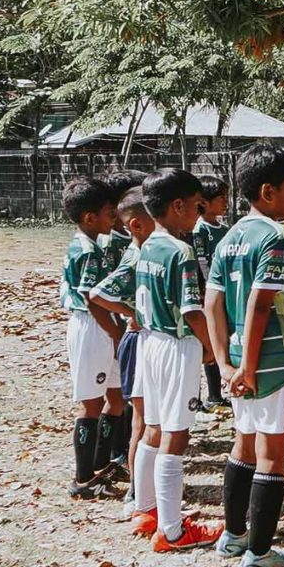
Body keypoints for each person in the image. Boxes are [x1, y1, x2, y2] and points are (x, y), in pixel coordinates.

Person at [204, 148, 284, 567]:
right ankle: (261, 554)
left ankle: (234, 536)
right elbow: (260, 303)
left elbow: (213, 301)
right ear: (268, 193)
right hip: (273, 364)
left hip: (238, 363)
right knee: (272, 455)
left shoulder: (229, 237)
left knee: (243, 444)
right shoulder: (275, 236)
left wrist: (226, 366)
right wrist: (249, 368)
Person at [127, 169, 224, 550]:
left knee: (153, 427)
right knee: (176, 434)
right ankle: (172, 531)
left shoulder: (148, 244)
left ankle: (145, 509)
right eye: (197, 206)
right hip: (175, 345)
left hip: (149, 342)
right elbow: (192, 311)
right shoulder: (181, 252)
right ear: (178, 206)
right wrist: (213, 349)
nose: (199, 214)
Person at [85, 187, 160, 522]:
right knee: (141, 422)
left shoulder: (148, 250)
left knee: (146, 420)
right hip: (138, 340)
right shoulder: (136, 256)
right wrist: (134, 313)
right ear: (137, 225)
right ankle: (136, 493)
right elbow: (98, 293)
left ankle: (144, 491)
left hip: (147, 339)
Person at [58, 176, 124, 499]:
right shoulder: (86, 250)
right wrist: (115, 331)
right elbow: (90, 297)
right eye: (110, 213)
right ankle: (83, 479)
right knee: (92, 404)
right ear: (89, 217)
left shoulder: (94, 244)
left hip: (103, 326)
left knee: (116, 396)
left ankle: (102, 464)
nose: (114, 219)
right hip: (92, 328)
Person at [191, 180, 232, 407]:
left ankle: (215, 395)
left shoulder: (225, 230)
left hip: (222, 293)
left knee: (218, 340)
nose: (225, 202)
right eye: (221, 198)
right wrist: (209, 288)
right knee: (203, 344)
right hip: (207, 294)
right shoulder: (200, 230)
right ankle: (194, 396)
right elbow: (202, 262)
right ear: (204, 203)